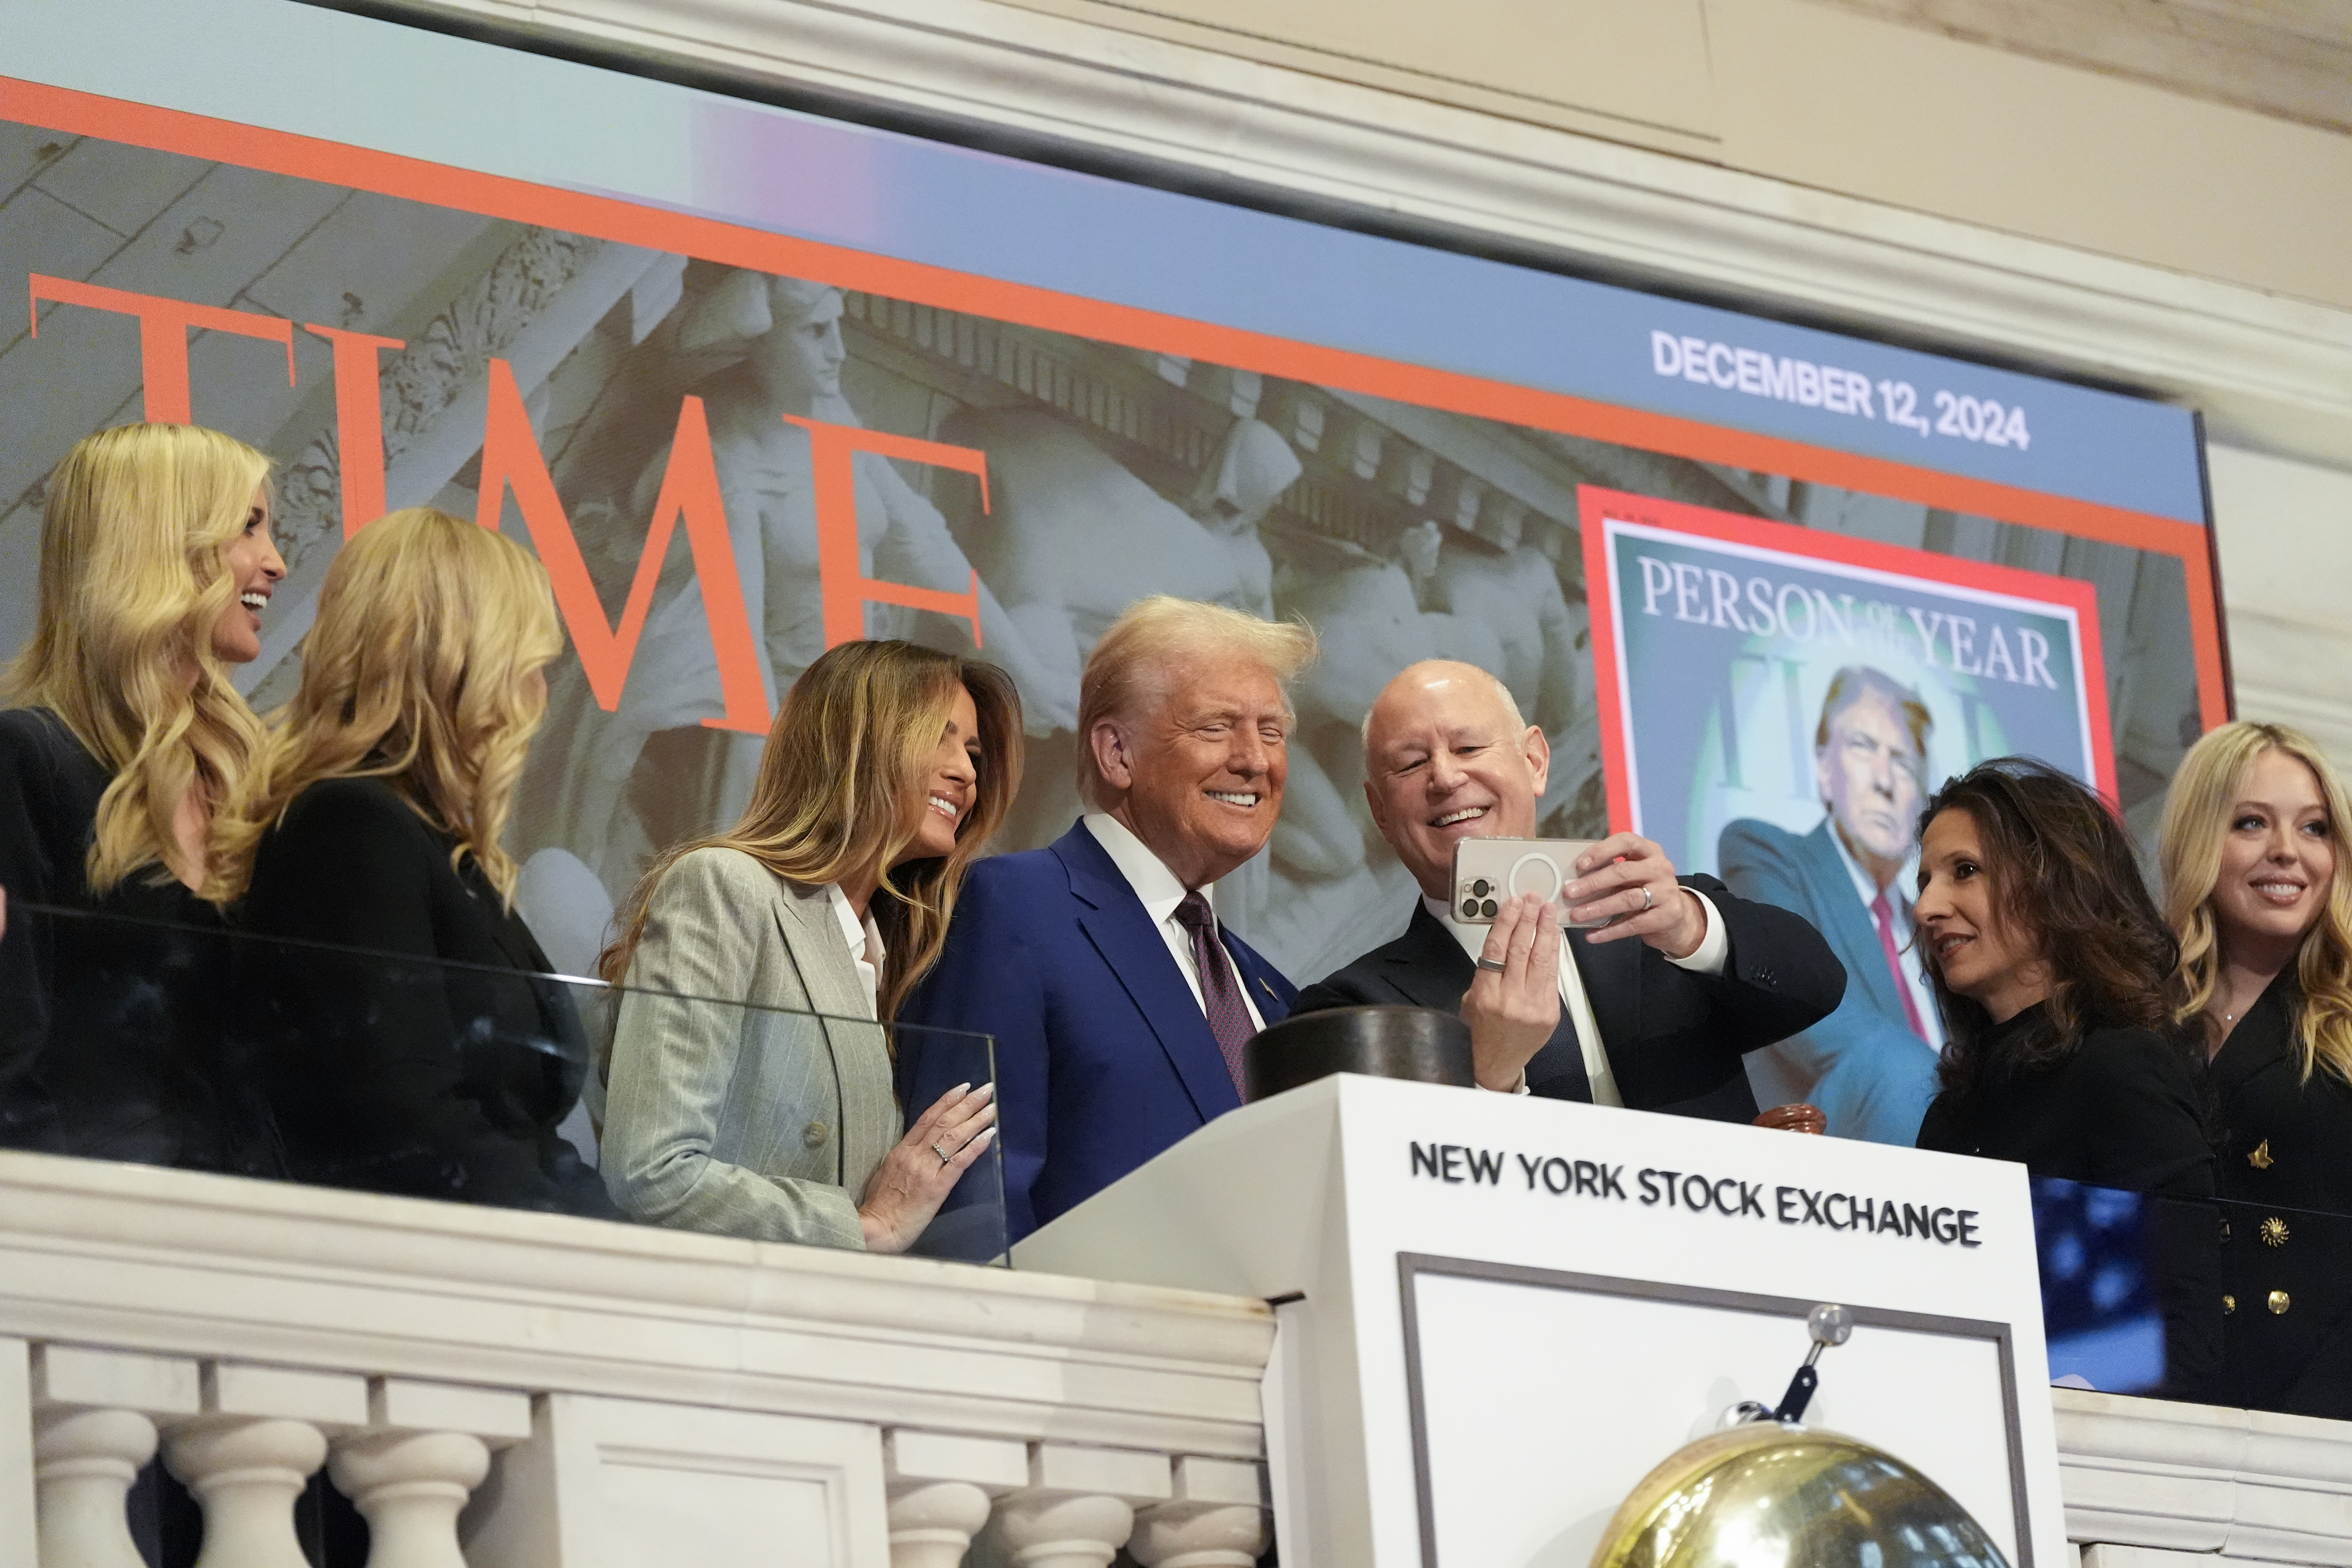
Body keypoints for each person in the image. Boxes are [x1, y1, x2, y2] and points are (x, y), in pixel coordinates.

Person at [221, 508, 613, 1216]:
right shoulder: (351, 828)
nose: (539, 696)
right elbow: (411, 1120)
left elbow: (523, 1139)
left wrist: (626, 1243)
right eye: (528, 665)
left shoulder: (433, 842)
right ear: (457, 662)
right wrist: (587, 1253)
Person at [897, 596, 1312, 1241]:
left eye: (1272, 731)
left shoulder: (1269, 991)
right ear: (1118, 752)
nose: (1256, 760)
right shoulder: (1015, 907)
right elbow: (972, 1211)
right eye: (1216, 727)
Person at [599, 639, 1014, 1252]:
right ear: (853, 743)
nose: (968, 772)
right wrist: (864, 1227)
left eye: (973, 753)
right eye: (939, 737)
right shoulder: (726, 886)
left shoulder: (893, 956)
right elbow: (652, 1171)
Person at [1294, 660, 1846, 1115]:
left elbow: (1816, 986)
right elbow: (1378, 1186)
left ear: (1535, 762)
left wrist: (1688, 926)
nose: (1444, 778)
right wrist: (1484, 1072)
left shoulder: (1657, 922)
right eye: (1412, 764)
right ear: (1379, 811)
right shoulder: (1353, 1008)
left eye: (1467, 749)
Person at [0, 423, 282, 1169]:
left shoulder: (243, 779)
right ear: (162, 543)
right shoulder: (28, 760)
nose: (276, 562)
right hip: (90, 1240)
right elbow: (8, 1059)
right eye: (248, 527)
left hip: (259, 1236)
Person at [1911, 757, 2218, 1394]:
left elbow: (2187, 1329)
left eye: (1965, 872)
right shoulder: (1953, 1112)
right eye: (1924, 882)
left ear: (2058, 882)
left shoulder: (2121, 1068)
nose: (1927, 908)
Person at [2160, 722, 2352, 1418]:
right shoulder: (2139, 1025)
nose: (2287, 853)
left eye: (2314, 829)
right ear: (2197, 839)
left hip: (2322, 1433)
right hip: (2160, 1418)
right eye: (2251, 823)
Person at [1720, 666, 1945, 1143]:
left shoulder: (1934, 926)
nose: (1885, 779)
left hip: (1965, 1182)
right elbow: (1812, 1021)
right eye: (1864, 747)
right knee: (1897, 1065)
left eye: (1904, 763)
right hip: (1820, 1161)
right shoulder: (1767, 854)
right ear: (1824, 769)